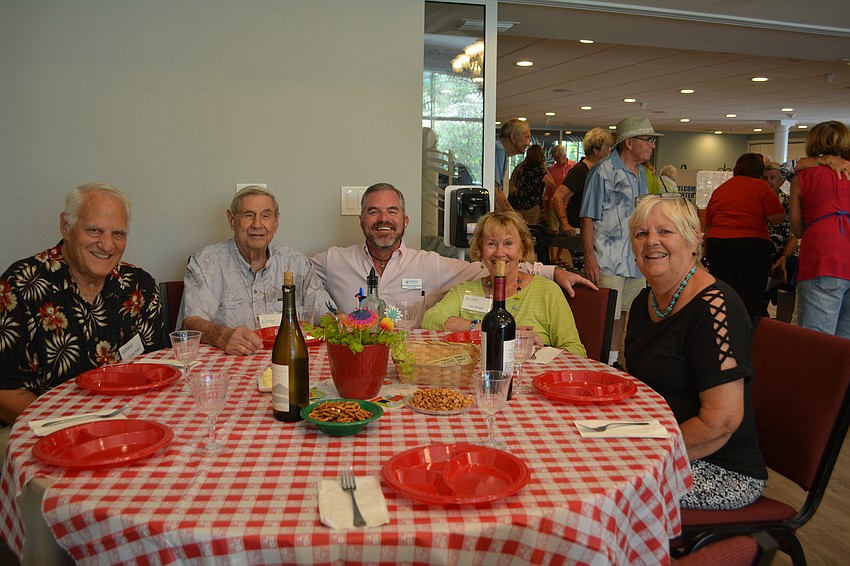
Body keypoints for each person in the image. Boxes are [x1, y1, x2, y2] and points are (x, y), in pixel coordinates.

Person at [625, 194, 767, 510]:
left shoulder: (716, 309)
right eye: (641, 234)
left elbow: (722, 422)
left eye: (665, 231)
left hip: (721, 467)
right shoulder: (643, 302)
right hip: (656, 446)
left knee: (606, 488)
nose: (651, 242)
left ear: (693, 242)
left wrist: (644, 452)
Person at [0, 182, 163, 424]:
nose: (107, 245)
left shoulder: (140, 287)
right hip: (38, 427)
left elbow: (155, 371)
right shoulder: (21, 286)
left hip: (126, 421)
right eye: (94, 231)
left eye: (118, 233)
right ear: (66, 226)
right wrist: (77, 423)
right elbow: (6, 395)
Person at [311, 183, 596, 318]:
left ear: (405, 221)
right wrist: (330, 311)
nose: (383, 219)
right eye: (373, 212)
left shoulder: (430, 266)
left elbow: (492, 263)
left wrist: (552, 271)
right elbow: (293, 273)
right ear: (361, 220)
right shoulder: (334, 260)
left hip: (410, 364)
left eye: (392, 211)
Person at [179, 186, 332, 355]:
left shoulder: (296, 263)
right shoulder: (205, 263)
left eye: (265, 216)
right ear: (231, 219)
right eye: (248, 215)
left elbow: (326, 315)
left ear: (276, 222)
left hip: (288, 359)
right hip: (230, 366)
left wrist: (341, 320)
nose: (257, 224)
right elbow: (192, 322)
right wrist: (221, 336)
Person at [422, 211, 585, 355]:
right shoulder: (466, 291)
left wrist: (537, 350)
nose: (499, 253)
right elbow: (429, 319)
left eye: (508, 243)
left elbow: (576, 350)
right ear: (480, 250)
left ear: (522, 250)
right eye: (491, 244)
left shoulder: (547, 292)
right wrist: (482, 329)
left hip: (529, 380)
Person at [579, 115, 663, 366]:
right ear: (629, 142)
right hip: (607, 259)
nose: (652, 145)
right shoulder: (602, 172)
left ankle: (613, 361)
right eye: (647, 140)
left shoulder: (642, 175)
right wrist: (590, 258)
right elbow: (587, 218)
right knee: (606, 316)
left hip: (635, 261)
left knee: (625, 314)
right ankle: (599, 363)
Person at [704, 153, 785, 320]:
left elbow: (708, 224)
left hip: (718, 243)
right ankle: (747, 332)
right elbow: (777, 218)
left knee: (722, 290)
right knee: (750, 294)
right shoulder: (761, 187)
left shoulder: (721, 188)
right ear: (759, 170)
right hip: (751, 244)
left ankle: (721, 328)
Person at [790, 120, 850, 338]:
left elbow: (796, 228)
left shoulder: (802, 177)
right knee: (845, 346)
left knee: (816, 343)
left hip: (823, 258)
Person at [761, 161, 798, 318]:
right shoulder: (758, 200)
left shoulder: (790, 202)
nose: (768, 182)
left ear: (781, 180)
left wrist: (783, 257)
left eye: (772, 178)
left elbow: (794, 235)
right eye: (765, 178)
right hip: (763, 255)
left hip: (784, 255)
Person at [494, 119, 531, 213]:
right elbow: (494, 191)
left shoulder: (501, 151)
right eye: (526, 137)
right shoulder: (500, 150)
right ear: (513, 137)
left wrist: (513, 215)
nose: (528, 143)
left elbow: (498, 190)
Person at [508, 144, 550, 224]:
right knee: (530, 228)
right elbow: (552, 183)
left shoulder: (522, 168)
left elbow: (515, 182)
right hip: (533, 205)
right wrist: (544, 167)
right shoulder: (539, 171)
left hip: (519, 203)